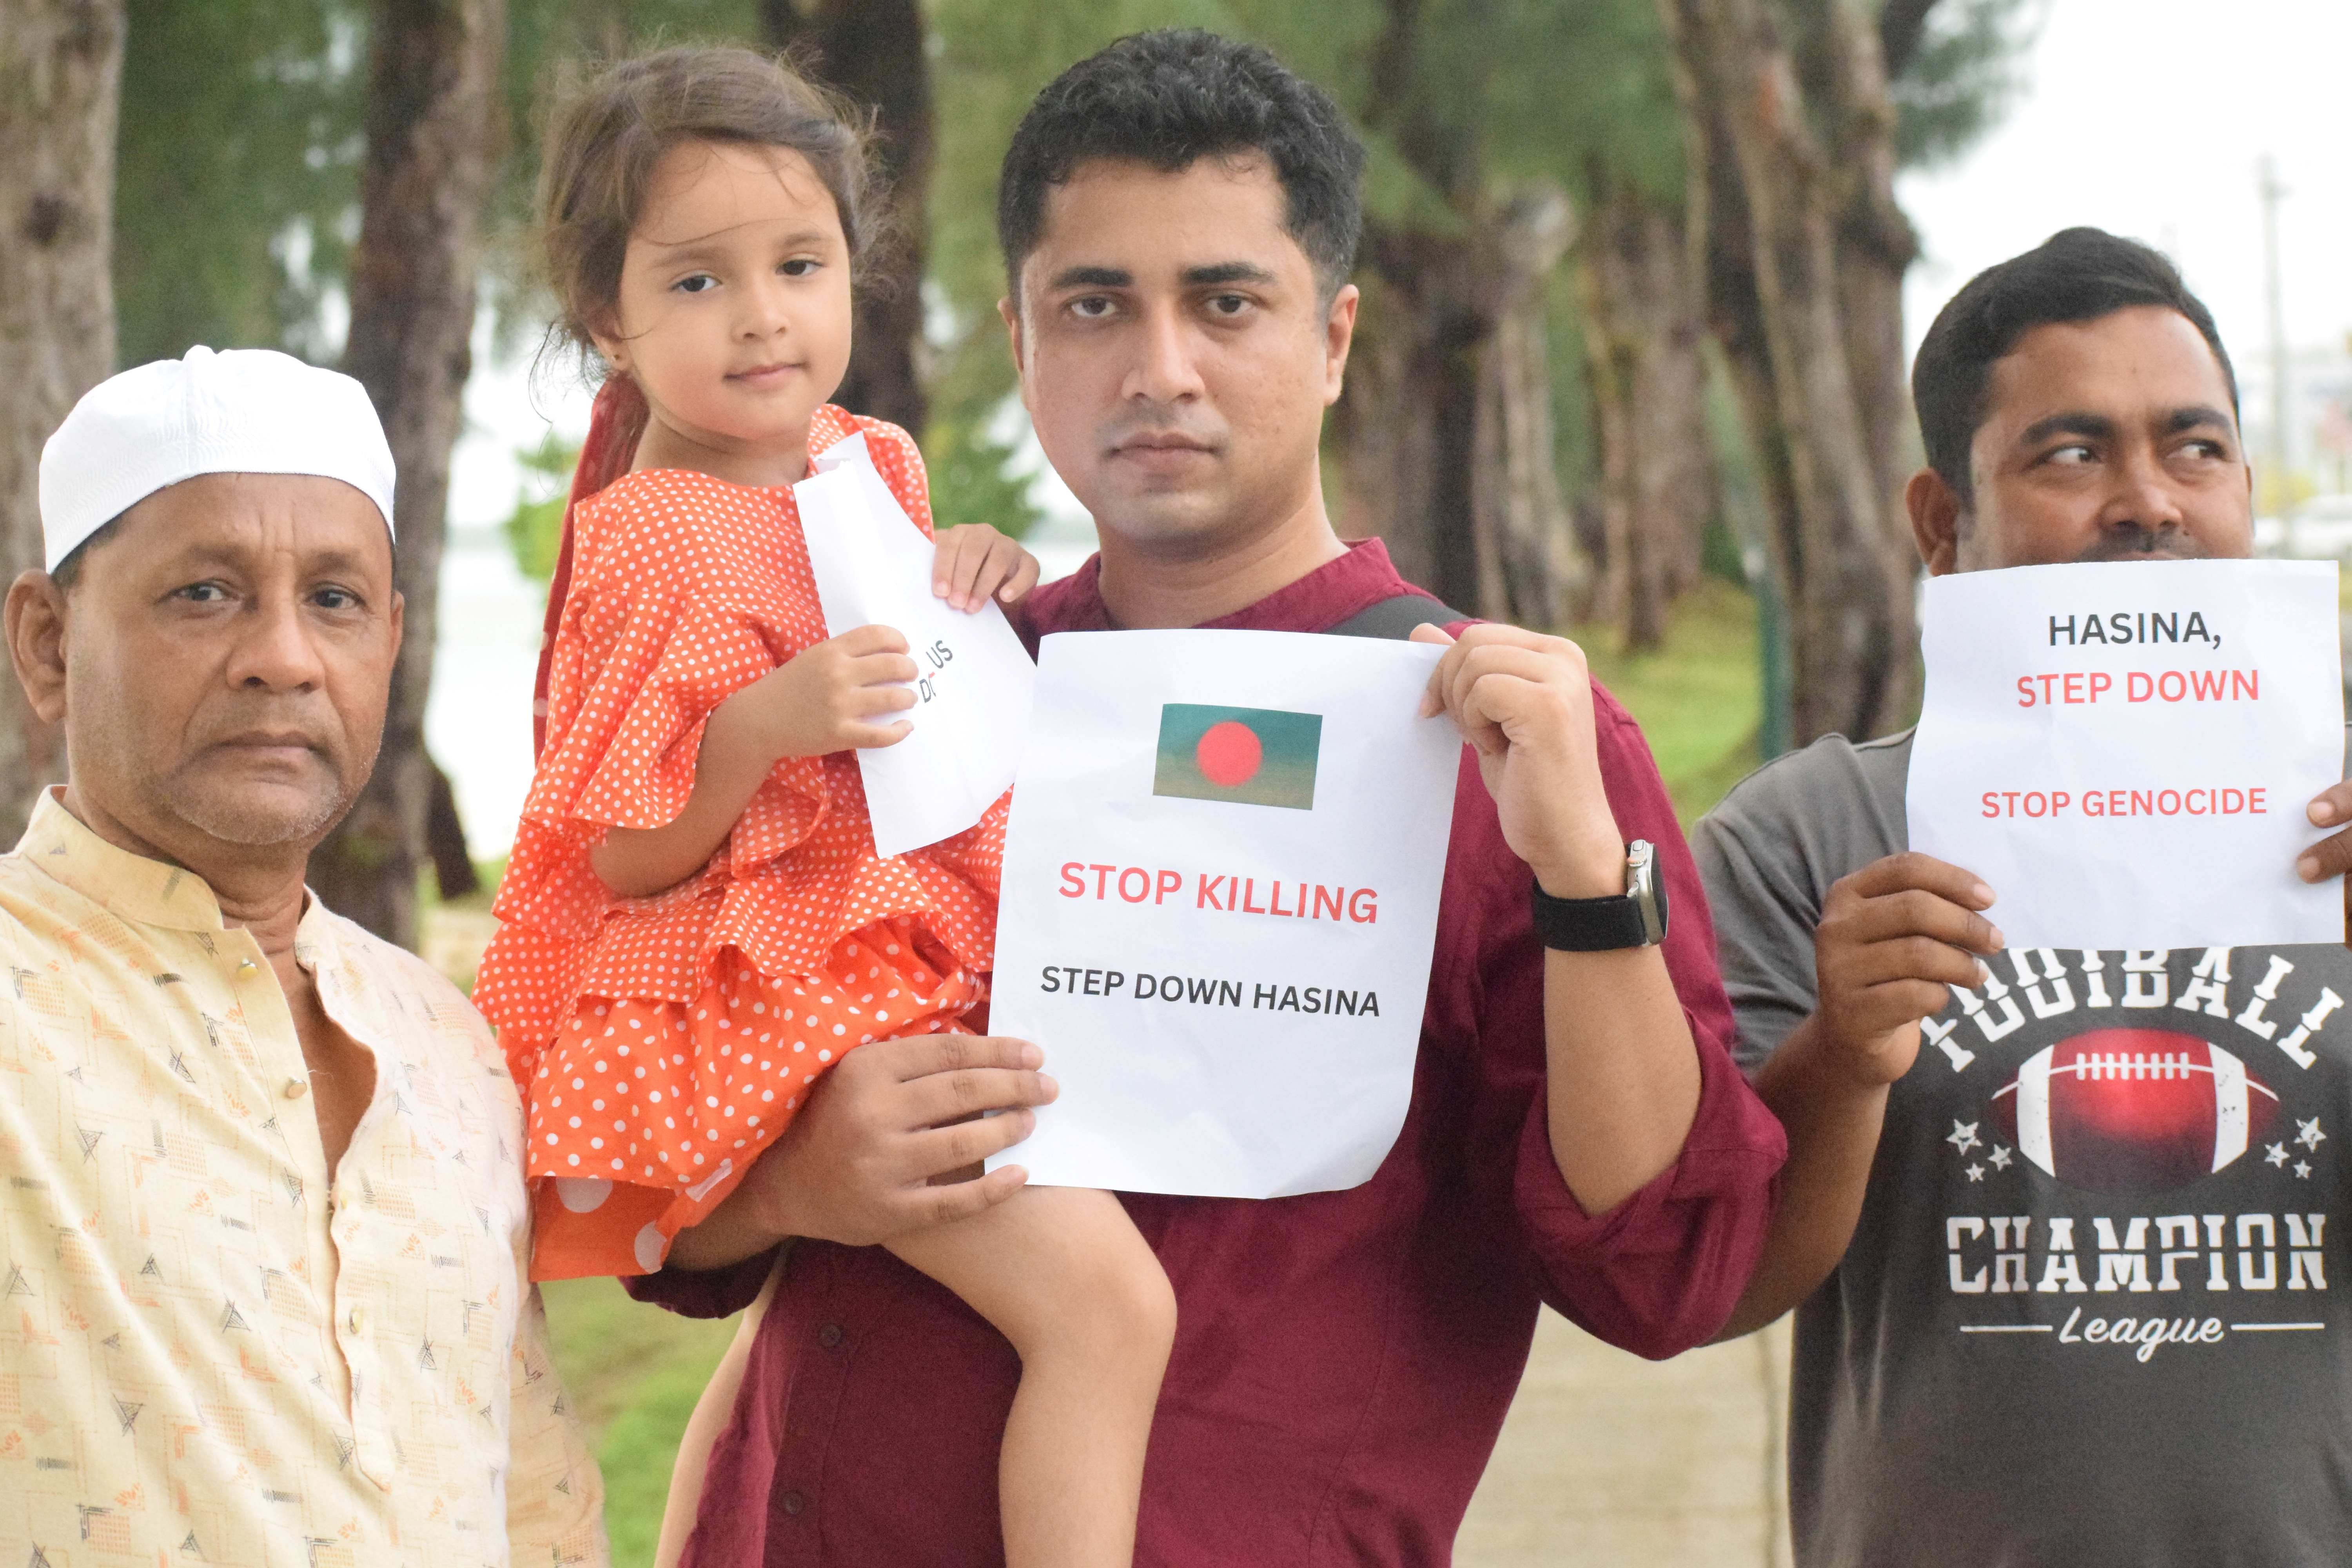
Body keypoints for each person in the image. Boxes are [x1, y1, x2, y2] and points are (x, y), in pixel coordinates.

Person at [627, 30, 1787, 1565]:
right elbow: (645, 1158)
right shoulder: (927, 681)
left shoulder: (1492, 743)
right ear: (1020, 339)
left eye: (1227, 303)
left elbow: (1661, 1274)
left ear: (1336, 338)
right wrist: (797, 1181)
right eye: (1095, 304)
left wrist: (1586, 882)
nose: (1159, 369)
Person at [470, 47, 1175, 1568]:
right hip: (787, 1003)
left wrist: (973, 567)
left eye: (799, 265)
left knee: (833, 1324)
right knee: (1112, 1313)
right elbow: (619, 850)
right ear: (606, 317)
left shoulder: (871, 460)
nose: (763, 315)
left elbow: (919, 666)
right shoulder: (652, 534)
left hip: (909, 951)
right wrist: (758, 728)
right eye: (698, 281)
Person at [1696, 226, 2352, 1566]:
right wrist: (1842, 1055)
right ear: (1943, 523)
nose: (2149, 502)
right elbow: (1715, 1286)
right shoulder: (1808, 841)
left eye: (2196, 447)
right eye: (2073, 454)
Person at [0, 346, 606, 1564]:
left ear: (391, 641)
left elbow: (538, 1510)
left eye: (334, 599)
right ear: (49, 646)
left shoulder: (450, 1045)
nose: (284, 655)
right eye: (205, 593)